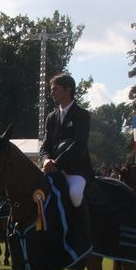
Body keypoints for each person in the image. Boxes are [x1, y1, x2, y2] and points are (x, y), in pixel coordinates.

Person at [39, 73, 93, 234]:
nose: (52, 92)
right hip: (50, 168)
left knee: (75, 194)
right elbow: (45, 145)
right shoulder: (51, 117)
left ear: (68, 89)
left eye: (55, 89)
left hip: (76, 170)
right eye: (51, 89)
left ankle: (83, 233)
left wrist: (56, 163)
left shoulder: (82, 114)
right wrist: (45, 160)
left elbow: (79, 144)